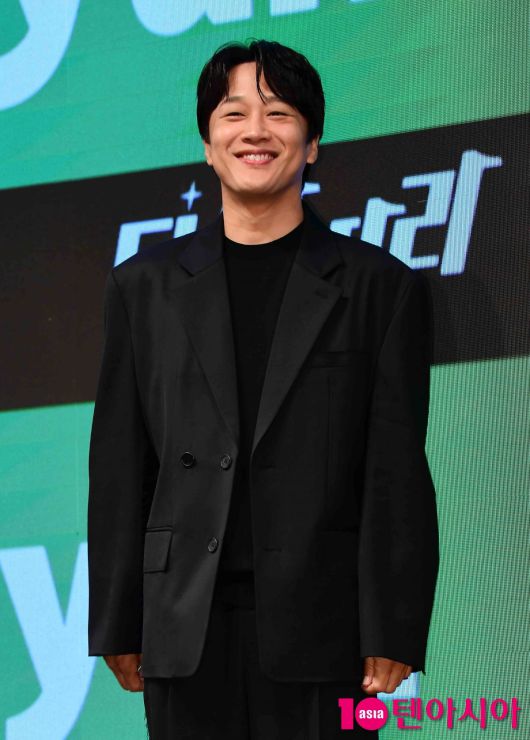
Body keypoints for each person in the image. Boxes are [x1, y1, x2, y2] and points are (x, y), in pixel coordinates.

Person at [87, 39, 439, 739]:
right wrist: (119, 619)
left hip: (327, 631)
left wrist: (394, 625)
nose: (255, 131)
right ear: (208, 143)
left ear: (312, 143)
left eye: (279, 113)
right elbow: (122, 466)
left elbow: (395, 470)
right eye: (234, 113)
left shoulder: (379, 288)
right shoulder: (143, 288)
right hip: (185, 627)